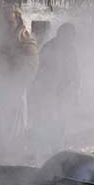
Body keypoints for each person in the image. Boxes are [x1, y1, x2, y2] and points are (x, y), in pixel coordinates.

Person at [0, 7, 39, 147]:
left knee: (15, 122)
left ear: (17, 20)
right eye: (3, 22)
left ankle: (14, 148)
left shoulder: (26, 40)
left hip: (15, 87)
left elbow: (31, 66)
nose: (7, 26)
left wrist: (15, 82)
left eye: (10, 22)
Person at [28, 22, 80, 157]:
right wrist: (39, 88)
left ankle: (56, 149)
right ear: (60, 33)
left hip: (63, 93)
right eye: (67, 35)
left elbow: (75, 72)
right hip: (48, 91)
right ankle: (41, 148)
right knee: (46, 119)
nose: (69, 38)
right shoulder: (49, 47)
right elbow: (39, 69)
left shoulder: (71, 50)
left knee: (60, 121)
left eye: (71, 36)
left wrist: (74, 89)